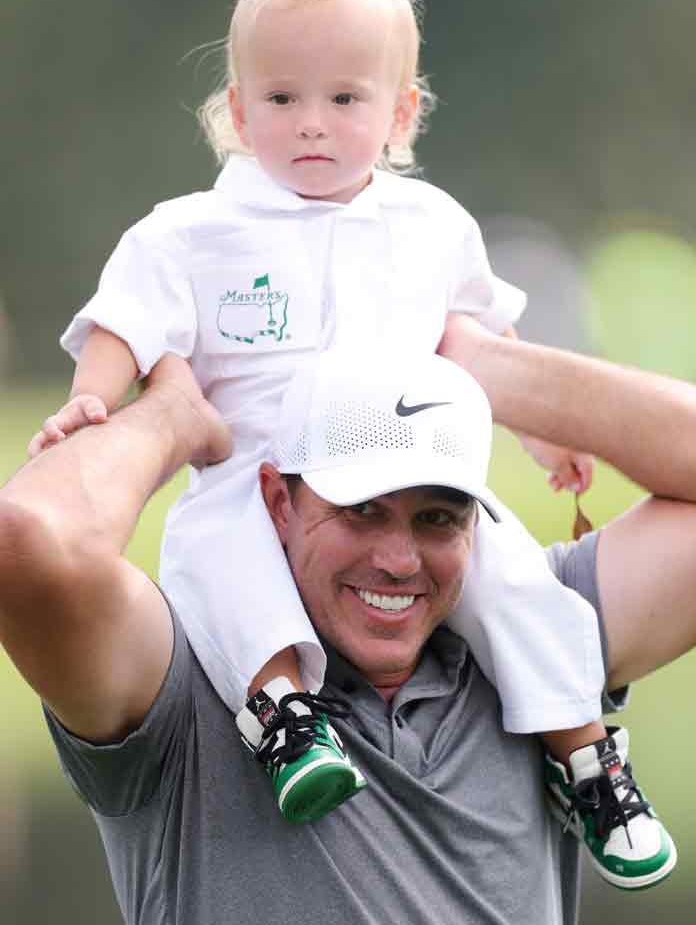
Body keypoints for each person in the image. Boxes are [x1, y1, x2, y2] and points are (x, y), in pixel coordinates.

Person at [23, 0, 665, 885]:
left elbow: (483, 337)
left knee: (518, 584)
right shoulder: (194, 233)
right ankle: (283, 718)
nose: (311, 124)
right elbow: (126, 318)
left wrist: (541, 429)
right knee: (215, 559)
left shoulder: (429, 225)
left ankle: (582, 752)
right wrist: (94, 396)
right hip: (254, 468)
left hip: (404, 456)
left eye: (345, 99)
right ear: (239, 111)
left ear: (400, 112)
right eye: (281, 99)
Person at [2, 338, 695, 924]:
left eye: (438, 517)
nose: (398, 562)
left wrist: (487, 366)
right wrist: (172, 419)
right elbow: (27, 542)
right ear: (278, 501)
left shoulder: (534, 642)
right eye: (362, 510)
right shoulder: (191, 684)